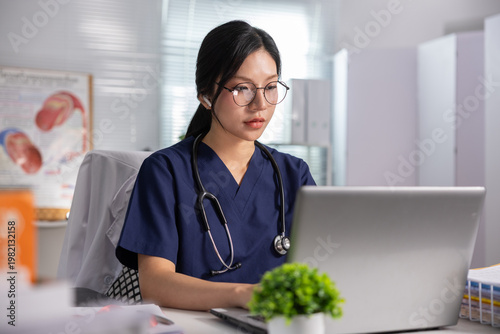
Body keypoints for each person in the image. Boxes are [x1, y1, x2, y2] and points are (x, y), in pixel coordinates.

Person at [116, 20, 316, 311]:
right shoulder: (165, 172)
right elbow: (155, 285)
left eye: (271, 87)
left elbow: (323, 267)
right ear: (206, 96)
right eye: (242, 88)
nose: (260, 103)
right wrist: (242, 294)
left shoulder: (293, 174)